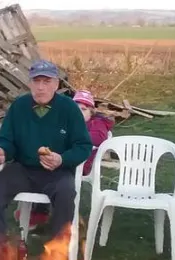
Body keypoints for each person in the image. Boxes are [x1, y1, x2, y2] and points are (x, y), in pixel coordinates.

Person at [0, 60, 92, 260]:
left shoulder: (69, 108)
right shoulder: (19, 106)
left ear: (56, 84)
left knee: (66, 192)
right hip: (24, 169)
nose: (41, 87)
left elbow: (83, 146)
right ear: (30, 83)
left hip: (57, 172)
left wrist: (62, 159)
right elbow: (6, 139)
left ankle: (57, 254)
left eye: (46, 81)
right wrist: (2, 152)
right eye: (36, 81)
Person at [21, 89, 118, 229]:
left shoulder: (97, 124)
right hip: (61, 160)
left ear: (91, 112)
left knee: (50, 172)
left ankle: (43, 212)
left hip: (80, 164)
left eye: (83, 109)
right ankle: (37, 207)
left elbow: (97, 138)